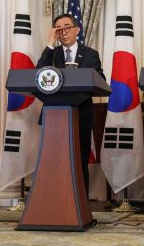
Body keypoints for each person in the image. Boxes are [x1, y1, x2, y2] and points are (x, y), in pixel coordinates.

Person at [36, 14, 106, 194]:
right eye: (59, 28)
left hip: (81, 115)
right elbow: (37, 75)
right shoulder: (52, 53)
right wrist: (50, 44)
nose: (63, 31)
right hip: (54, 116)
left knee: (79, 160)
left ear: (77, 29)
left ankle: (81, 201)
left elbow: (101, 81)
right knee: (53, 161)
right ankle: (54, 200)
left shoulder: (90, 54)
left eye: (67, 27)